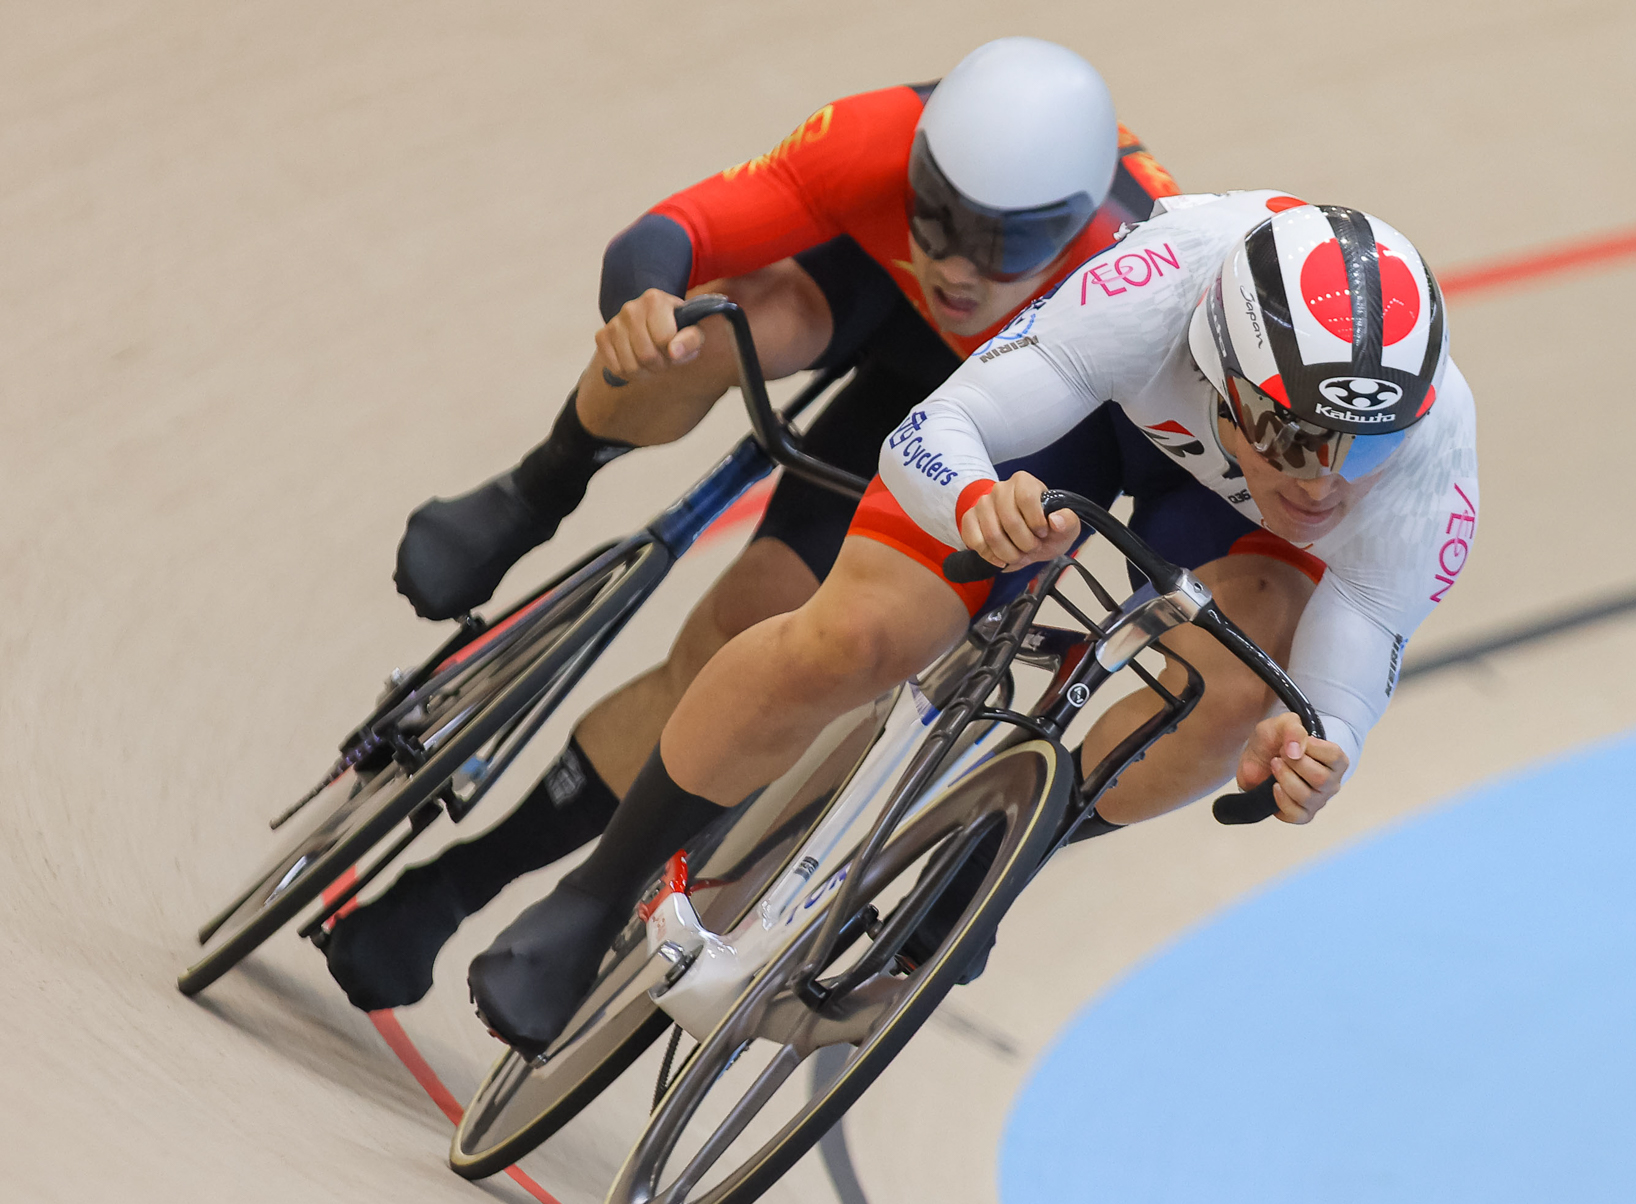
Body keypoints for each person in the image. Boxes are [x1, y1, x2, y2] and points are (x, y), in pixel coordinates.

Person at [464, 196, 1481, 1057]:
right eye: (1295, 434)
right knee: (855, 638)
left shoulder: (1429, 448)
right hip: (1094, 410)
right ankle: (593, 896)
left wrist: (1324, 745)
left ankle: (1000, 854)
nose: (1322, 480)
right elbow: (935, 432)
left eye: (1364, 445)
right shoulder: (1156, 288)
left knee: (1238, 694)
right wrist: (971, 506)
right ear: (1222, 370)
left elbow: (1364, 627)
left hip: (1229, 518)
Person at [324, 38, 1180, 1011]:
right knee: (705, 330)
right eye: (934, 217)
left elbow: (1166, 495)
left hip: (1012, 430)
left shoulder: (1136, 281)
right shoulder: (876, 139)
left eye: (1001, 243)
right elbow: (669, 236)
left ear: (1071, 225)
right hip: (870, 309)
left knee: (775, 635)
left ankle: (460, 884)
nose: (954, 260)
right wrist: (642, 312)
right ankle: (539, 487)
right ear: (918, 166)